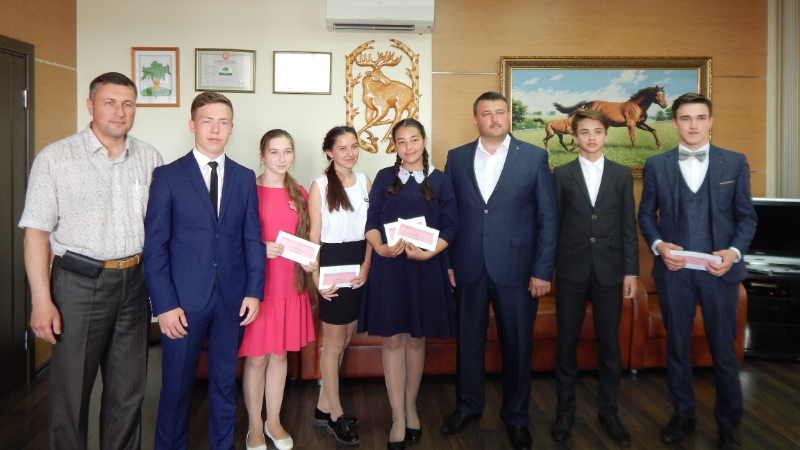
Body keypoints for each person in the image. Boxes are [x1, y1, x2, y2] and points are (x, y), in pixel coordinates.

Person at [20, 72, 162, 450]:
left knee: (128, 393)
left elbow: (161, 227)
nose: (119, 111)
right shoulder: (56, 158)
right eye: (109, 102)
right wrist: (41, 300)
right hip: (78, 283)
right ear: (91, 106)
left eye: (128, 104)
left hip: (135, 282)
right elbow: (35, 233)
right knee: (71, 393)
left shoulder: (149, 157)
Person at [143, 92, 265, 450]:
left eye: (223, 122)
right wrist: (164, 305)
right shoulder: (167, 176)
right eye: (207, 121)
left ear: (231, 128)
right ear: (192, 125)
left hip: (231, 300)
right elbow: (155, 246)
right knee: (176, 387)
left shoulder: (244, 177)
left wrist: (254, 291)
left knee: (225, 385)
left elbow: (252, 238)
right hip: (182, 303)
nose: (215, 129)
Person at [638, 93, 757, 450]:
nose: (693, 125)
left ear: (710, 121)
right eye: (686, 118)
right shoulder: (656, 165)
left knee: (724, 350)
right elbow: (646, 215)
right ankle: (683, 415)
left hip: (720, 272)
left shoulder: (734, 162)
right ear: (674, 123)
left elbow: (746, 217)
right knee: (677, 347)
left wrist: (734, 253)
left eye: (700, 118)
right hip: (674, 272)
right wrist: (659, 245)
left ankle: (729, 424)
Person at [441, 91, 559, 450]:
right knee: (469, 343)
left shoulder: (534, 157)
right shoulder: (457, 157)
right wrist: (448, 263)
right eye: (486, 113)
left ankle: (517, 417)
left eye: (500, 112)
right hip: (468, 265)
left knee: (518, 345)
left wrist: (542, 270)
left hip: (518, 268)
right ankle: (468, 406)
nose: (494, 118)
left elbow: (548, 217)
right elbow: (448, 215)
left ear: (509, 117)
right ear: (475, 119)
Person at [359, 118, 458, 450]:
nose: (408, 147)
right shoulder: (384, 178)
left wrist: (430, 253)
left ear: (424, 141)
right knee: (392, 341)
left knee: (416, 340)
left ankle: (411, 405)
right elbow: (371, 222)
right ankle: (397, 415)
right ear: (395, 146)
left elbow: (452, 226)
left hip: (425, 267)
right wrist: (381, 249)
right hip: (390, 267)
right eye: (401, 142)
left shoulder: (441, 180)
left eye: (413, 140)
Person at [550, 110, 638, 447]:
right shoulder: (562, 174)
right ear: (574, 137)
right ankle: (564, 413)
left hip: (610, 269)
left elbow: (628, 226)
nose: (591, 137)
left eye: (597, 131)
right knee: (566, 344)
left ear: (606, 135)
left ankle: (609, 413)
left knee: (610, 346)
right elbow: (553, 223)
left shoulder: (621, 174)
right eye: (584, 132)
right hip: (570, 269)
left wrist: (631, 271)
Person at [238, 129, 316, 450]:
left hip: (290, 285)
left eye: (287, 152)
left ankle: (273, 421)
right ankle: (254, 426)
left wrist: (311, 261)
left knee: (280, 355)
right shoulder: (247, 190)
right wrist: (260, 248)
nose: (282, 158)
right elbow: (231, 239)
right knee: (257, 358)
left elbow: (307, 239)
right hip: (260, 287)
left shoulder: (299, 192)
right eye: (274, 152)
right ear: (262, 156)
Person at [308, 126, 371, 446]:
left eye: (354, 146)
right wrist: (316, 277)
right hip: (332, 262)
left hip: (358, 262)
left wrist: (367, 265)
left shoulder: (364, 181)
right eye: (342, 148)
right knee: (333, 344)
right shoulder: (319, 185)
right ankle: (335, 415)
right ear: (329, 151)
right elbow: (314, 235)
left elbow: (372, 229)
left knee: (346, 337)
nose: (350, 153)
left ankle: (323, 408)